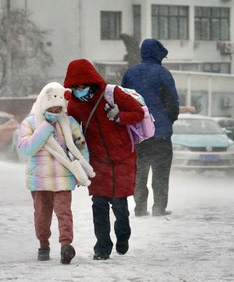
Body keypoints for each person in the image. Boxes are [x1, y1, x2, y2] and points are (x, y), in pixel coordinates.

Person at [63, 59, 144, 260]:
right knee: (98, 205)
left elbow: (138, 113)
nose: (79, 91)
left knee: (120, 205)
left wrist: (119, 116)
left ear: (92, 81)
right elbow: (72, 128)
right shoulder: (74, 103)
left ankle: (123, 237)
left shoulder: (112, 94)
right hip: (97, 161)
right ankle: (102, 248)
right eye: (75, 87)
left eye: (83, 86)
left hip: (123, 158)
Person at [17, 82, 92, 264]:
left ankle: (66, 246)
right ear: (43, 105)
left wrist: (82, 170)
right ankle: (43, 244)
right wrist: (45, 128)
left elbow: (81, 147)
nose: (55, 113)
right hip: (39, 179)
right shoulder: (30, 123)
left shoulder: (70, 123)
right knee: (42, 214)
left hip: (64, 178)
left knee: (64, 212)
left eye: (59, 109)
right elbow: (26, 149)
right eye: (52, 109)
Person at [121, 38, 180, 217]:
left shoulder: (131, 73)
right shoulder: (163, 73)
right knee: (161, 173)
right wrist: (167, 120)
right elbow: (173, 103)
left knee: (139, 172)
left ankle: (140, 208)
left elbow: (123, 99)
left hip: (138, 134)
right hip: (161, 135)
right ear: (158, 54)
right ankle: (159, 208)